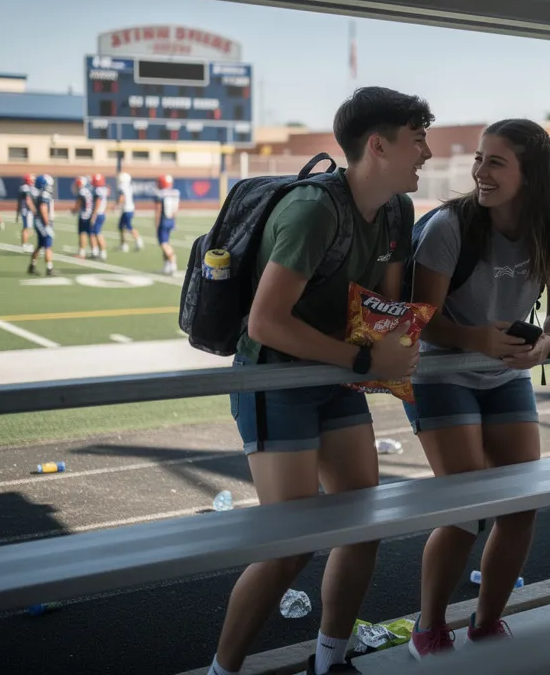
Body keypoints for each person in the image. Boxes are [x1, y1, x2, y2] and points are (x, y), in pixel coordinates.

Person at [208, 87, 432, 675]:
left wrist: (397, 338)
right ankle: (222, 671)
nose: (428, 153)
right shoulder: (313, 210)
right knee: (291, 546)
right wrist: (364, 363)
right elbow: (265, 322)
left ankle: (329, 661)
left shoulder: (396, 211)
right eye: (418, 141)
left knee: (362, 527)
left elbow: (381, 306)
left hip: (333, 374)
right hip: (274, 378)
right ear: (378, 146)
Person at [404, 118, 550, 659]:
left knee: (521, 507)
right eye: (479, 159)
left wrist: (548, 343)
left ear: (531, 175)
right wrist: (475, 339)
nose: (480, 171)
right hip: (441, 374)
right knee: (468, 509)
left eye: (495, 162)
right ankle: (428, 627)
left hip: (506, 375)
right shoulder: (450, 226)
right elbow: (420, 320)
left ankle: (486, 623)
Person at [28, 174, 56, 276]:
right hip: (43, 223)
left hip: (40, 222)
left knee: (40, 245)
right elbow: (43, 209)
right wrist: (47, 224)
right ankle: (49, 269)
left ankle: (32, 266)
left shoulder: (40, 193)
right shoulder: (44, 195)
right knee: (48, 246)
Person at [155, 174, 180, 276]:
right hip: (171, 219)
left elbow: (158, 209)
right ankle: (166, 265)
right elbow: (176, 208)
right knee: (166, 242)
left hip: (163, 220)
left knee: (164, 244)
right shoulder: (175, 192)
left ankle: (172, 263)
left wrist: (156, 222)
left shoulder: (161, 194)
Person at [116, 171, 143, 251]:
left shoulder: (122, 186)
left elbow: (122, 197)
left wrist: (117, 205)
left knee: (128, 227)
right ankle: (124, 244)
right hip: (129, 208)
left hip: (126, 209)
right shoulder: (129, 186)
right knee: (121, 227)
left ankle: (138, 240)